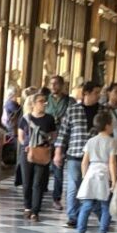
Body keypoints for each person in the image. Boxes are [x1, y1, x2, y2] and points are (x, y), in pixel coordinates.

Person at [54, 81, 102, 229]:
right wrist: (58, 152)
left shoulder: (103, 111)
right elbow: (63, 132)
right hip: (75, 153)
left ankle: (101, 215)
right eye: (96, 93)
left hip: (96, 156)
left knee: (95, 186)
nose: (98, 96)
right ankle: (73, 217)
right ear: (86, 93)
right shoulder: (73, 109)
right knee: (74, 186)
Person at [75, 111, 117, 233]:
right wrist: (114, 180)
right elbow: (112, 163)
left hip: (91, 173)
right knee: (106, 207)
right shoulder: (112, 142)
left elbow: (84, 162)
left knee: (86, 206)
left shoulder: (91, 141)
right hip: (104, 173)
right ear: (107, 125)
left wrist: (84, 176)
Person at [19, 93, 56, 222]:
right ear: (33, 104)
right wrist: (26, 145)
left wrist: (48, 143)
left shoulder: (49, 119)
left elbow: (53, 134)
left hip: (42, 152)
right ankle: (27, 206)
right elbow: (21, 135)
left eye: (45, 101)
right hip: (27, 153)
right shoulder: (25, 118)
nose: (44, 104)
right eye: (41, 101)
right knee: (27, 181)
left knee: (38, 183)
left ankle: (35, 210)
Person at [46, 75, 75, 211]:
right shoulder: (46, 99)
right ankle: (40, 193)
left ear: (62, 85)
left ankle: (56, 198)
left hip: (62, 138)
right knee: (43, 167)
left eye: (56, 84)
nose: (53, 87)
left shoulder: (70, 101)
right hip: (46, 137)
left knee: (58, 168)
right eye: (51, 84)